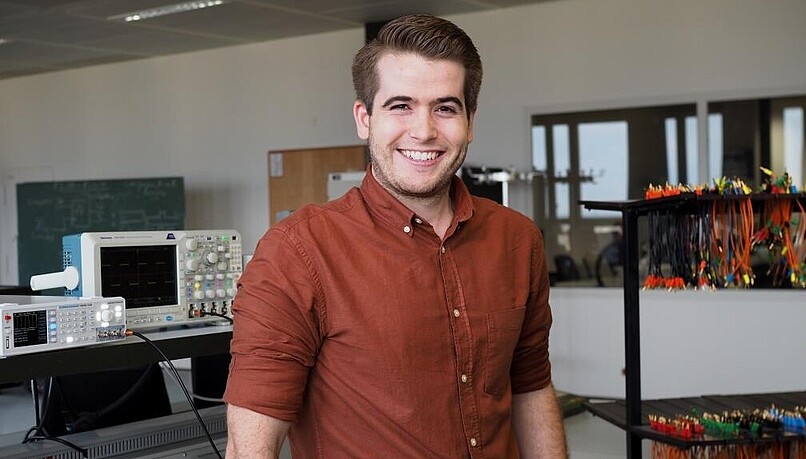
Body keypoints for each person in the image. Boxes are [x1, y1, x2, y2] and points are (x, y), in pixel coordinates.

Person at [223, 14, 567, 458]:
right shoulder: (297, 252)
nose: (423, 130)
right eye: (400, 105)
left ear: (470, 120)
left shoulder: (517, 240)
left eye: (445, 107)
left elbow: (531, 388)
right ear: (364, 119)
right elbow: (250, 447)